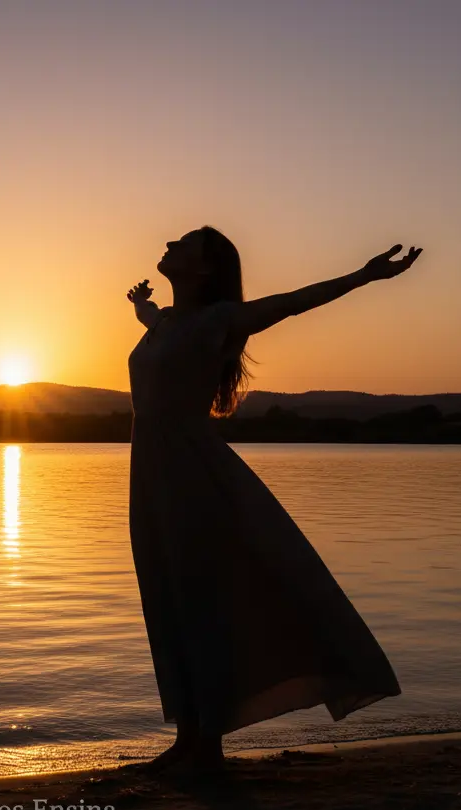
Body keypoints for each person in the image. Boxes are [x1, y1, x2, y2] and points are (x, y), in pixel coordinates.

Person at [125, 226, 420, 772]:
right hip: (150, 479)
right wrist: (142, 305)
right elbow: (153, 326)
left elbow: (294, 303)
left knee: (200, 604)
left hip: (194, 476)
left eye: (183, 243)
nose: (169, 244)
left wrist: (365, 275)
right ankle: (188, 739)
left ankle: (206, 745)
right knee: (167, 600)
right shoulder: (164, 322)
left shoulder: (223, 319)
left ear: (206, 268)